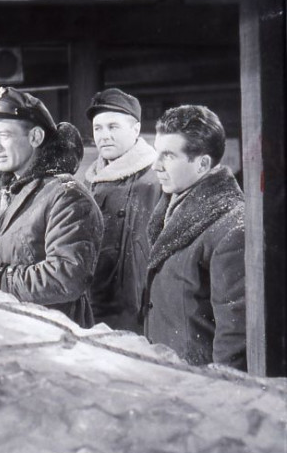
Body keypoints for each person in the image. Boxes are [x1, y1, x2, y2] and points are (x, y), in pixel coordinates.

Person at [0, 87, 103, 327]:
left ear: (35, 137)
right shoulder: (10, 193)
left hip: (55, 335)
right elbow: (14, 256)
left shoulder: (67, 196)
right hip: (17, 327)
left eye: (5, 135)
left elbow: (66, 277)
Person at [142, 105, 246, 370]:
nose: (155, 165)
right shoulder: (171, 207)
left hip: (197, 380)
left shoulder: (231, 227)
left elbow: (235, 337)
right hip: (168, 371)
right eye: (156, 153)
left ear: (202, 164)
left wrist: (219, 388)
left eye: (168, 156)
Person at [83, 88, 161, 334]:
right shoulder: (89, 182)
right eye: (98, 128)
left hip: (140, 313)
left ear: (135, 130)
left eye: (113, 127)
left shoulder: (156, 179)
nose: (104, 136)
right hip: (96, 306)